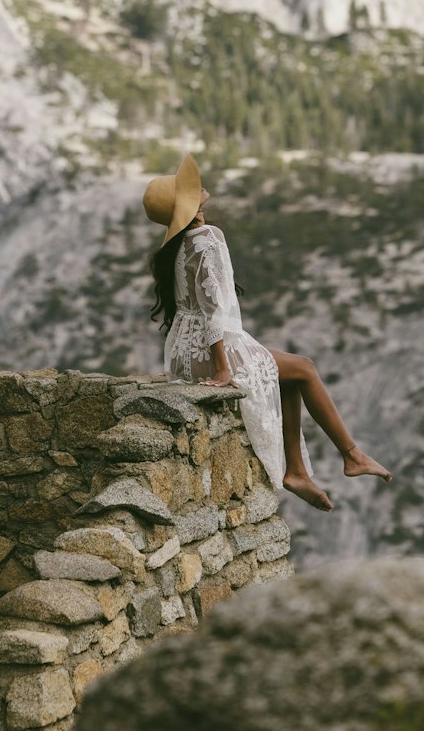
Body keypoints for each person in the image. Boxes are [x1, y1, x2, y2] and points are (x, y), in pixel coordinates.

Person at [144, 152, 392, 512]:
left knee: (287, 371)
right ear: (187, 203)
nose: (199, 188)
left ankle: (297, 471)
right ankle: (351, 455)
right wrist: (223, 369)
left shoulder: (177, 247)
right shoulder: (207, 237)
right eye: (189, 188)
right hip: (211, 352)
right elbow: (215, 309)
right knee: (304, 367)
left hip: (184, 354)